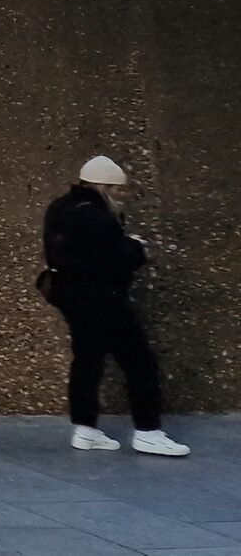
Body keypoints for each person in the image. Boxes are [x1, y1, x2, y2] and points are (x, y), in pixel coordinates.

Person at [42, 155, 189, 457]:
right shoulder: (96, 215)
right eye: (118, 190)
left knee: (87, 358)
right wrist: (137, 248)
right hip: (101, 296)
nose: (122, 196)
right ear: (104, 186)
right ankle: (148, 431)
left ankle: (85, 429)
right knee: (139, 361)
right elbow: (115, 259)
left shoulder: (59, 207)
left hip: (68, 292)